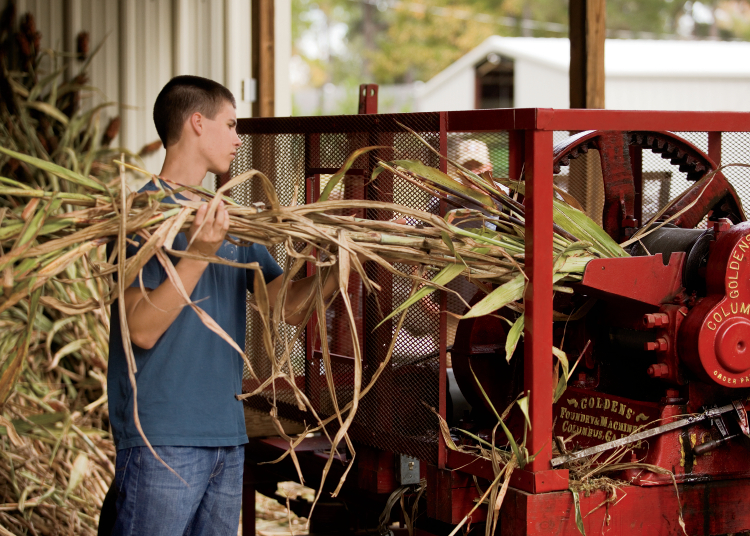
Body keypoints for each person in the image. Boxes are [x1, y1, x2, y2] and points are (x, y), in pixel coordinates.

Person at [106, 75, 343, 536]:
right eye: (231, 124)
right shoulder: (141, 214)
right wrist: (199, 251)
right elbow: (140, 329)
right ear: (197, 122)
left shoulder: (230, 219)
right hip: (163, 441)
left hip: (227, 440)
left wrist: (336, 270)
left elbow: (286, 310)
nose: (239, 138)